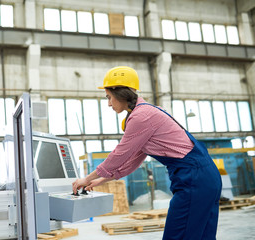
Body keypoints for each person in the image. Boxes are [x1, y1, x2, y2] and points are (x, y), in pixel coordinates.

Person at [72, 66, 222, 240]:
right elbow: (131, 162)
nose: (108, 103)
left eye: (109, 97)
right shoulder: (148, 112)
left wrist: (86, 179)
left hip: (194, 178)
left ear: (120, 93)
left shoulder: (141, 116)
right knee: (202, 236)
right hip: (206, 176)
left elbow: (119, 154)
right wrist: (100, 180)